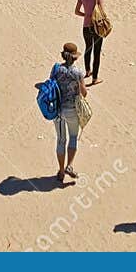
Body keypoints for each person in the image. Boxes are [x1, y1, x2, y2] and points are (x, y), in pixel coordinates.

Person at [49, 41, 88, 184]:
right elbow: (84, 93)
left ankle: (60, 171)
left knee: (60, 140)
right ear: (75, 57)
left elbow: (51, 85)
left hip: (58, 110)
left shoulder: (56, 70)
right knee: (73, 137)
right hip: (72, 110)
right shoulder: (77, 72)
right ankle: (69, 166)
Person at [74, 0, 107, 83]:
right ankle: (95, 78)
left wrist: (86, 15)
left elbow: (77, 11)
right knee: (96, 53)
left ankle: (88, 71)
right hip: (96, 27)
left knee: (88, 49)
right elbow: (102, 13)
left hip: (86, 26)